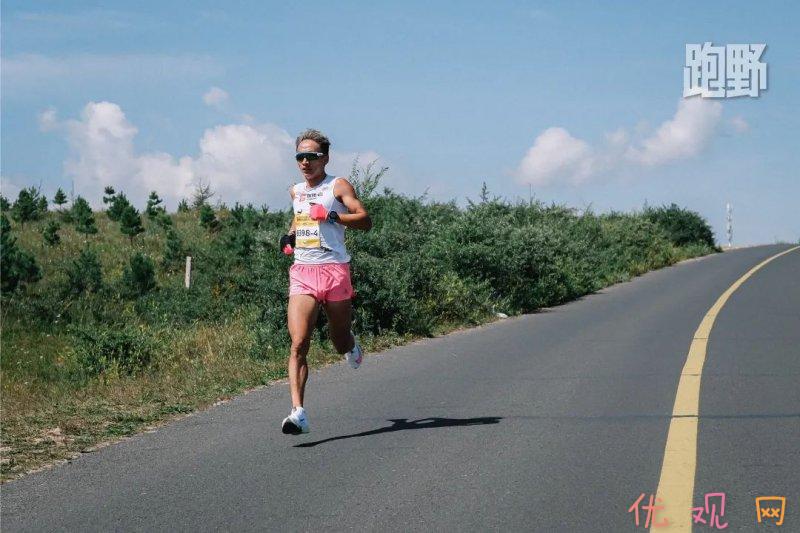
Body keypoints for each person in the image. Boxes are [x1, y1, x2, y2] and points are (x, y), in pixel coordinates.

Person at [279, 129, 372, 435]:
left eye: (312, 156)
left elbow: (365, 220)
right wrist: (290, 236)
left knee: (338, 340)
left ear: (325, 158)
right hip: (304, 271)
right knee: (298, 343)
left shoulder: (338, 186)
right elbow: (299, 218)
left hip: (334, 271)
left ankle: (351, 345)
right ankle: (298, 413)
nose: (305, 162)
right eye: (300, 157)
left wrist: (332, 217)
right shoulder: (296, 191)